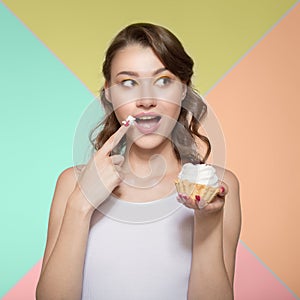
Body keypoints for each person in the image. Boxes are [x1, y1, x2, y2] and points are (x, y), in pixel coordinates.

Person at [36, 23, 241, 300]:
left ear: (183, 90)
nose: (146, 100)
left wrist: (207, 221)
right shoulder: (72, 183)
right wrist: (81, 203)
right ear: (109, 92)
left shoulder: (218, 187)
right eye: (128, 83)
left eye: (163, 81)